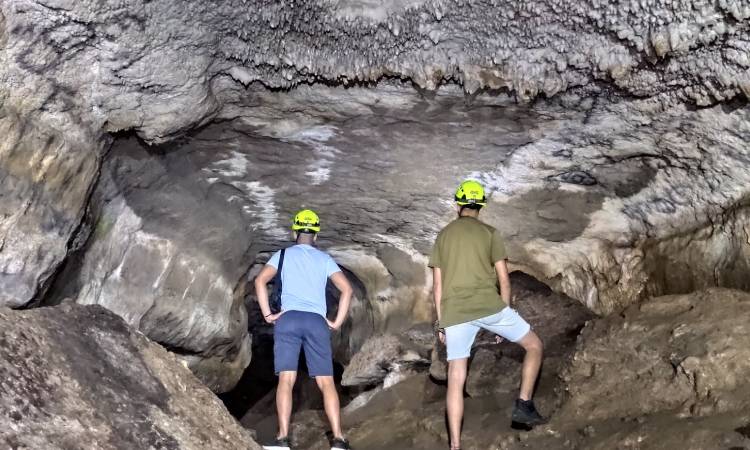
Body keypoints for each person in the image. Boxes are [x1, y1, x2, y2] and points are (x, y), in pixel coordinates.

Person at [429, 180, 546, 450]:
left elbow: (437, 286)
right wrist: (504, 313)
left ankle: (455, 445)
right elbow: (504, 281)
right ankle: (524, 405)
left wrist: (440, 323)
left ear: (458, 204)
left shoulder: (443, 236)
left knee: (456, 378)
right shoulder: (490, 233)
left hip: (455, 312)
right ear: (480, 206)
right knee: (534, 345)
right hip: (490, 307)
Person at [255, 209, 353, 450]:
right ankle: (338, 439)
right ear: (316, 236)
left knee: (286, 380)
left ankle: (282, 439)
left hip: (288, 320)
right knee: (326, 382)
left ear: (294, 232)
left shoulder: (282, 255)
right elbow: (347, 289)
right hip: (316, 321)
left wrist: (268, 314)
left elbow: (259, 281)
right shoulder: (324, 259)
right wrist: (337, 321)